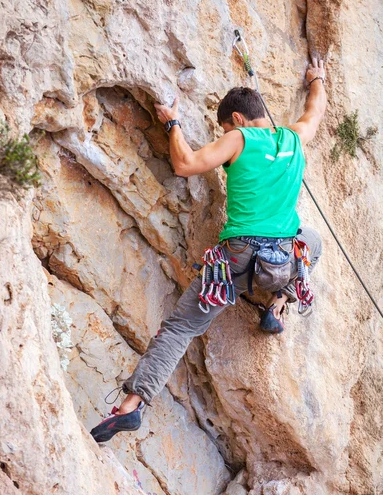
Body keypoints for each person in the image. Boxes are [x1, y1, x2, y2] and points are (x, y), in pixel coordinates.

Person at [90, 58, 326, 443]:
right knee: (313, 242)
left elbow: (185, 164)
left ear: (236, 119)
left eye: (225, 128)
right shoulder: (296, 136)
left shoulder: (240, 139)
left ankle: (130, 407)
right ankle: (279, 305)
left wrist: (172, 123)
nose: (225, 134)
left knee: (182, 326)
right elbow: (315, 109)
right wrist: (317, 80)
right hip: (283, 260)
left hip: (237, 260)